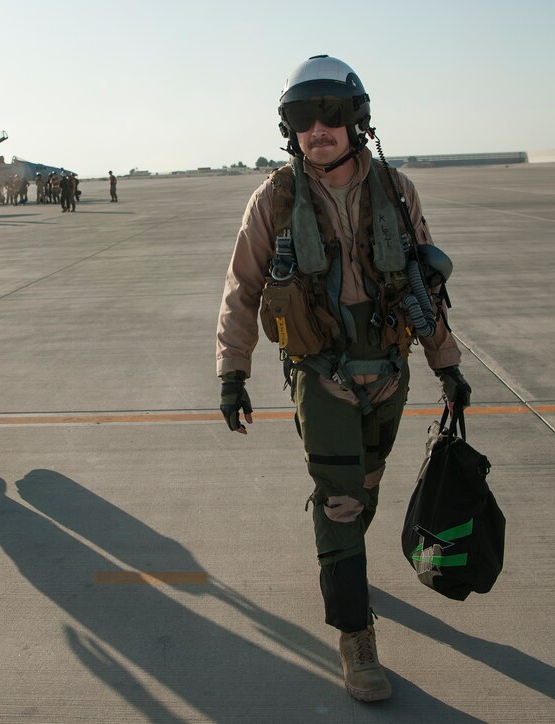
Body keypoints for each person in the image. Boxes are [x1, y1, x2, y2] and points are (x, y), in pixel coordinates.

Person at [214, 55, 471, 703]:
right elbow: (242, 290)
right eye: (304, 117)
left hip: (388, 366)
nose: (318, 129)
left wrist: (447, 362)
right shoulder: (273, 198)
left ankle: (343, 560)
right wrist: (232, 372)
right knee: (340, 499)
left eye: (332, 114)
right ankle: (356, 635)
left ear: (357, 120)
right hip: (319, 371)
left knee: (369, 482)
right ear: (289, 128)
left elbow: (422, 284)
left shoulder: (396, 190)